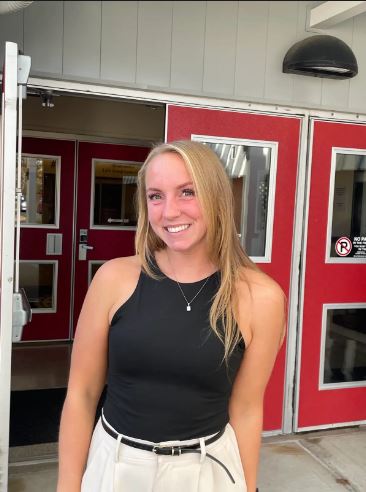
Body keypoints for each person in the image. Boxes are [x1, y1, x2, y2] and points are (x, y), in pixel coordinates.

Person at [57, 140, 286, 492]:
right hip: (116, 466)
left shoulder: (260, 298)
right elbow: (82, 394)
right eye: (155, 196)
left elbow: (247, 408)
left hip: (207, 471)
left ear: (216, 197)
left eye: (187, 192)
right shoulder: (114, 278)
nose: (169, 212)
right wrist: (67, 486)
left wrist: (249, 487)